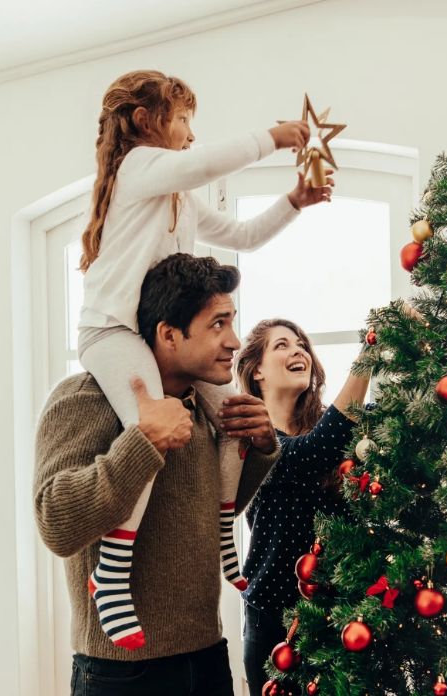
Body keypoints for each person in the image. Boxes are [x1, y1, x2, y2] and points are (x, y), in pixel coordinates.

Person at [76, 69, 334, 650]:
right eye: (184, 119)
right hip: (112, 332)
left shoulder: (180, 199)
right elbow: (200, 163)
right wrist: (274, 137)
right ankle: (112, 569)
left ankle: (224, 537)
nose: (192, 134)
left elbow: (242, 235)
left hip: (151, 335)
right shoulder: (137, 168)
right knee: (156, 426)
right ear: (147, 122)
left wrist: (294, 200)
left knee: (235, 417)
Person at [35, 253, 280, 696]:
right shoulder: (84, 396)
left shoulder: (203, 405)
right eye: (218, 324)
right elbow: (56, 522)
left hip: (207, 655)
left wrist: (261, 447)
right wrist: (143, 443)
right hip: (121, 672)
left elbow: (202, 512)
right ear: (168, 333)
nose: (235, 340)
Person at [234, 319, 371, 694]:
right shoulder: (250, 437)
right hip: (275, 620)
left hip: (344, 612)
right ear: (256, 369)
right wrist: (371, 349)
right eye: (282, 345)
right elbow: (308, 454)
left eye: (301, 345)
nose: (298, 351)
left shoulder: (340, 432)